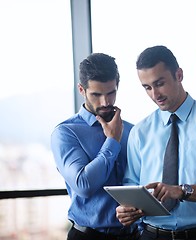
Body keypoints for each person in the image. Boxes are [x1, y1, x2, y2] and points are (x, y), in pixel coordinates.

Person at [115, 45, 196, 240]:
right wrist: (127, 209)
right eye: (147, 87)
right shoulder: (140, 132)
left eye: (160, 83)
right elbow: (132, 184)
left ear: (179, 75)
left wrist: (181, 191)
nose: (155, 94)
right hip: (152, 235)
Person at [51, 53, 139, 240]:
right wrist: (113, 141)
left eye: (111, 93)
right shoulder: (66, 133)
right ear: (81, 90)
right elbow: (84, 185)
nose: (105, 102)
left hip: (134, 235)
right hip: (88, 237)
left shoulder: (133, 131)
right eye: (96, 94)